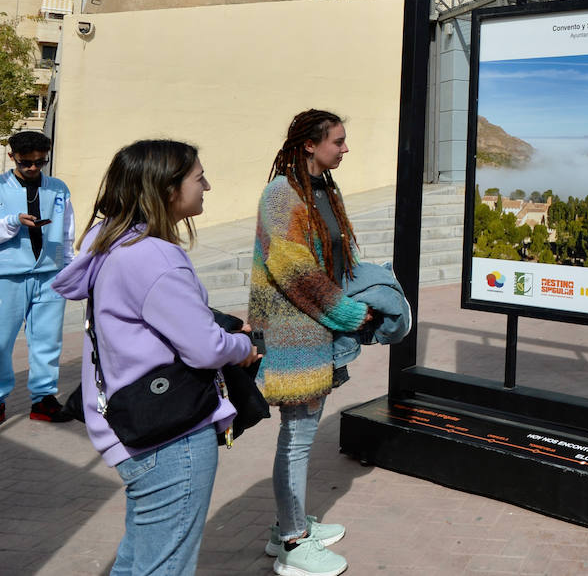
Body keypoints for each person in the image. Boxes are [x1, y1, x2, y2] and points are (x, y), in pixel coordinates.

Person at [52, 140, 257, 574]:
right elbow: (206, 349)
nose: (207, 186)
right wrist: (242, 348)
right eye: (198, 178)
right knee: (163, 566)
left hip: (137, 424)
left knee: (138, 561)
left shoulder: (114, 243)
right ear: (167, 189)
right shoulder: (153, 256)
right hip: (172, 437)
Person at [250, 110, 372, 576]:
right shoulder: (281, 194)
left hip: (321, 330)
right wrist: (350, 312)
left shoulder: (324, 189)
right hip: (293, 334)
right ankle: (293, 543)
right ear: (308, 144)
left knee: (300, 435)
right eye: (337, 141)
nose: (345, 148)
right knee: (298, 438)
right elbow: (294, 270)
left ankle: (289, 523)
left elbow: (339, 254)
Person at [0, 129, 76, 424]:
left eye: (40, 161)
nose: (33, 167)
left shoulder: (58, 188)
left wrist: (68, 268)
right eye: (26, 162)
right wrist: (12, 222)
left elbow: (66, 232)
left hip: (50, 275)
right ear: (12, 157)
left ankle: (43, 399)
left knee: (47, 340)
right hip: (7, 276)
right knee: (1, 342)